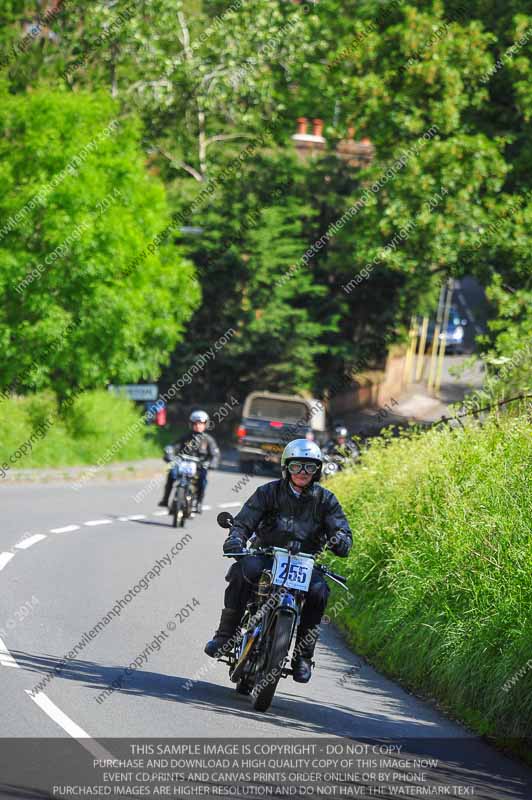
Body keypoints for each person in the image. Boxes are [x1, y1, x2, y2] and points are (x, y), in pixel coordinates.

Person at [204, 439, 352, 683]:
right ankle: (225, 635)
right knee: (242, 571)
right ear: (286, 467)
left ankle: (303, 657)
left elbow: (341, 530)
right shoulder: (268, 492)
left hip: (304, 564)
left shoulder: (326, 500)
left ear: (317, 470)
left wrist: (341, 540)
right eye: (296, 466)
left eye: (309, 467)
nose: (303, 472)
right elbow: (244, 521)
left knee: (319, 592)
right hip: (266, 555)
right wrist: (236, 538)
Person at [159, 410, 220, 513]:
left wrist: (212, 463)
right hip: (183, 464)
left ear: (205, 424)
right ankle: (165, 499)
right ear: (191, 424)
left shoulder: (208, 440)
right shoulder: (185, 437)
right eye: (195, 423)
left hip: (200, 466)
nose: (198, 426)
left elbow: (215, 454)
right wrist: (169, 453)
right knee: (172, 474)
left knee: (203, 480)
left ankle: (199, 503)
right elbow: (173, 446)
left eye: (201, 423)